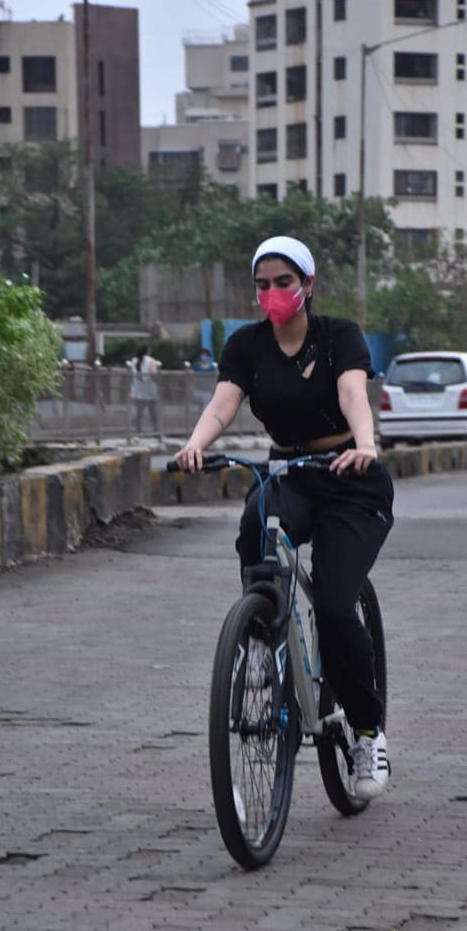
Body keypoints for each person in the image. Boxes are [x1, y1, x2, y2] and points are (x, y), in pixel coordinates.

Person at [174, 235, 395, 800]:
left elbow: (353, 394)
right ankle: (260, 637)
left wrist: (365, 444)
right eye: (262, 285)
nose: (271, 294)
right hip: (290, 472)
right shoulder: (247, 344)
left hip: (349, 478)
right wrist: (195, 443)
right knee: (255, 523)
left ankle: (367, 730)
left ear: (308, 286)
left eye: (284, 283)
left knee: (333, 601)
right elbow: (224, 402)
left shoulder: (337, 336)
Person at [127, 344, 161, 436]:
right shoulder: (151, 361)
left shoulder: (134, 361)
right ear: (147, 351)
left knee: (139, 413)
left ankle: (138, 432)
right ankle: (156, 431)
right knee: (152, 413)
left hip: (137, 391)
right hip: (150, 391)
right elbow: (154, 374)